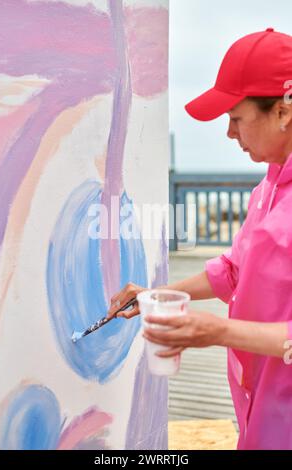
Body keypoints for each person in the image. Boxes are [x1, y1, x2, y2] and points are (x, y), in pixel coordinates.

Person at [107, 28, 292, 450]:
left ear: (283, 111)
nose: (229, 133)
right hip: (256, 411)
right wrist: (156, 293)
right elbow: (231, 271)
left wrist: (218, 331)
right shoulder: (267, 191)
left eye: (236, 118)